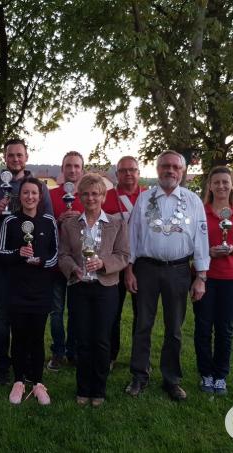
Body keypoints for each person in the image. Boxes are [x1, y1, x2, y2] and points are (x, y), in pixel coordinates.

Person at [124, 150, 209, 401]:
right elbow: (133, 235)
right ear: (157, 169)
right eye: (165, 166)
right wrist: (129, 269)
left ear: (182, 171)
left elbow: (202, 239)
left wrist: (201, 276)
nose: (170, 170)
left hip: (179, 271)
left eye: (175, 167)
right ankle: (139, 375)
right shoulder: (144, 199)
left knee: (174, 328)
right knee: (143, 325)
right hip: (146, 269)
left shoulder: (193, 201)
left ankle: (171, 379)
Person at [0, 138, 53, 385]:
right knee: (2, 314)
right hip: (4, 261)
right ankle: (3, 364)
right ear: (4, 157)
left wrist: (40, 258)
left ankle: (31, 367)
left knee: (29, 317)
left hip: (32, 265)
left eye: (19, 155)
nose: (15, 159)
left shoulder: (38, 187)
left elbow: (48, 221)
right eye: (10, 155)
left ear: (26, 156)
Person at [58, 173, 129, 407]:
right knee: (82, 340)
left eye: (95, 194)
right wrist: (72, 269)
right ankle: (83, 387)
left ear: (103, 196)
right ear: (79, 196)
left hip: (106, 288)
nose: (90, 198)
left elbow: (123, 256)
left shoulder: (117, 223)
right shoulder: (70, 224)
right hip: (79, 287)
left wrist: (104, 264)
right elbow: (64, 255)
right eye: (86, 194)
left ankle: (98, 389)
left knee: (101, 340)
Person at [0, 177, 58, 405]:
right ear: (19, 196)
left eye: (34, 193)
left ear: (40, 196)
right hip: (16, 289)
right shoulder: (10, 221)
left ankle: (38, 382)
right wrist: (18, 254)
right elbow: (0, 253)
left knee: (38, 337)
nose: (30, 197)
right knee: (19, 336)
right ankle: (19, 380)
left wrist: (40, 262)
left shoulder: (49, 220)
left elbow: (55, 254)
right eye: (25, 193)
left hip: (41, 289)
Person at [194, 166, 233, 396]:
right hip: (204, 277)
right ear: (210, 186)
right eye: (216, 182)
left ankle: (220, 376)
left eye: (225, 182)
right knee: (202, 328)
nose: (221, 186)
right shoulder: (200, 212)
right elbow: (192, 247)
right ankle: (205, 374)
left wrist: (232, 249)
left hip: (231, 280)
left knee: (225, 329)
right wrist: (208, 251)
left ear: (232, 185)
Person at [102, 156, 146, 370]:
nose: (129, 174)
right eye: (124, 170)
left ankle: (139, 359)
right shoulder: (106, 197)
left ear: (139, 172)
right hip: (115, 262)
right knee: (112, 312)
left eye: (133, 170)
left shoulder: (148, 197)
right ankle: (110, 355)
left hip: (143, 264)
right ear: (116, 174)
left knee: (142, 315)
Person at [46, 151, 85, 371]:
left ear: (82, 169)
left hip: (79, 263)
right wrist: (57, 221)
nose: (72, 170)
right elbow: (41, 224)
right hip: (56, 263)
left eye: (76, 166)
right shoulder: (51, 195)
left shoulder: (88, 195)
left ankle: (74, 350)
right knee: (57, 311)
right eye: (68, 166)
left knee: (77, 310)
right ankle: (58, 352)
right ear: (62, 169)